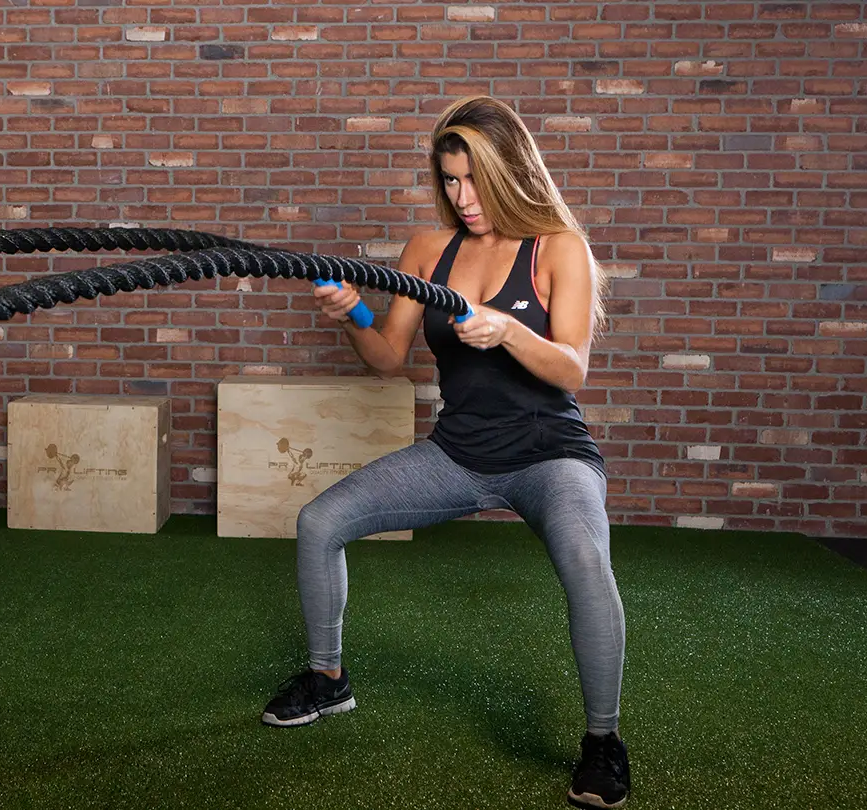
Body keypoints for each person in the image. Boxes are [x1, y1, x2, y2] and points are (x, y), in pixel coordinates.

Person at [259, 95, 630, 810]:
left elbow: (572, 369)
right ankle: (329, 679)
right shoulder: (429, 251)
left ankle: (603, 743)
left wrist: (508, 331)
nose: (463, 198)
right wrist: (353, 314)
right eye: (451, 181)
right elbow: (387, 359)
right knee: (318, 523)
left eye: (474, 180)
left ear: (512, 171)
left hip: (551, 456)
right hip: (457, 455)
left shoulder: (558, 247)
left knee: (587, 562)